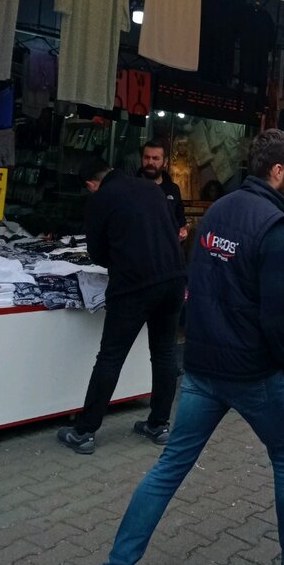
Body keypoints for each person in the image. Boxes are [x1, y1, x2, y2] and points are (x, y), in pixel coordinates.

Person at [81, 129, 284, 565]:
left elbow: (207, 279)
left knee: (168, 468)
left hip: (202, 364)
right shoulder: (275, 226)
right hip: (250, 370)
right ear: (277, 171)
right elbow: (273, 312)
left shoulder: (220, 211)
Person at [57, 157, 186, 455]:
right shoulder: (152, 189)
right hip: (174, 278)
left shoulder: (101, 198)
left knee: (111, 356)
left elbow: (98, 252)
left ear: (92, 184)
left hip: (134, 285)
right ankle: (159, 424)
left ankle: (84, 431)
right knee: (165, 352)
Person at [138, 140, 188, 242]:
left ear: (165, 162)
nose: (150, 162)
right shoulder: (130, 188)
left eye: (155, 158)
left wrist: (182, 234)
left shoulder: (173, 189)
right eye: (146, 157)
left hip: (165, 251)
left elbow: (181, 223)